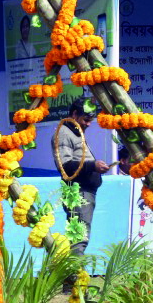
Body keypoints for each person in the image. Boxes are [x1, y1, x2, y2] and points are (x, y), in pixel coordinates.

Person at [56, 104, 108, 261]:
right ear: (74, 114)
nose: (88, 124)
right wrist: (93, 165)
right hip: (78, 192)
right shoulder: (64, 134)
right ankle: (72, 281)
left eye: (91, 120)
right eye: (86, 120)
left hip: (84, 191)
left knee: (78, 238)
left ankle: (71, 280)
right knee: (79, 240)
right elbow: (64, 166)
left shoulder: (75, 133)